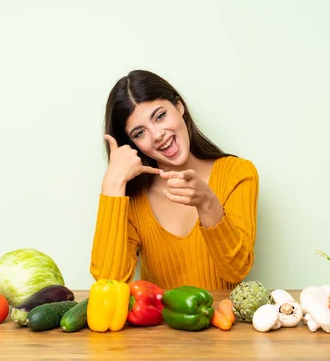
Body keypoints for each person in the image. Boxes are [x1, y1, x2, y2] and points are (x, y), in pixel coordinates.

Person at [89, 70, 259, 290]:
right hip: (159, 325)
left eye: (160, 116)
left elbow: (236, 270)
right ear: (132, 145)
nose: (157, 135)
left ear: (179, 107)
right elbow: (108, 282)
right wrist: (113, 184)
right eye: (140, 133)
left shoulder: (238, 174)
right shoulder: (134, 197)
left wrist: (207, 202)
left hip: (225, 322)